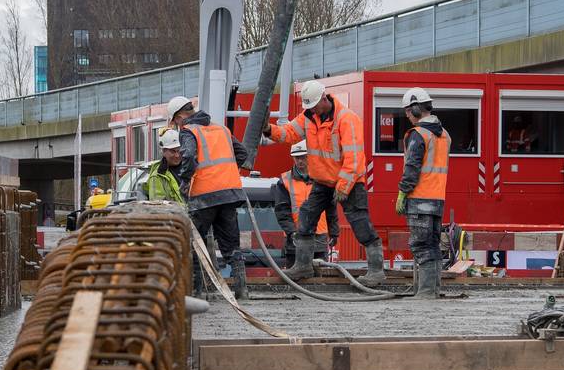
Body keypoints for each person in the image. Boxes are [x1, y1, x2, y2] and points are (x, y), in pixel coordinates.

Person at [268, 79, 386, 286]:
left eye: (313, 105)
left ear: (324, 98)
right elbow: (288, 133)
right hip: (323, 181)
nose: (311, 109)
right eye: (309, 107)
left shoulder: (346, 119)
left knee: (360, 222)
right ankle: (303, 264)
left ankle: (376, 270)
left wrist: (343, 186)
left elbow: (355, 159)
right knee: (306, 216)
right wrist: (269, 130)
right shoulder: (308, 117)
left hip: (349, 182)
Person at [168, 96, 251, 300]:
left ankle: (196, 292)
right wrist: (226, 172)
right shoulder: (220, 129)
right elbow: (242, 153)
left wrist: (185, 180)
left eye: (175, 122)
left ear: (179, 117)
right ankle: (242, 290)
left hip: (204, 194)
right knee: (231, 244)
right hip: (229, 192)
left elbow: (188, 157)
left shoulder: (189, 131)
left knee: (195, 242)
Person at [394, 87, 449, 298]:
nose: (407, 115)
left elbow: (412, 168)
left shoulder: (418, 135)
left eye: (408, 111)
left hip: (419, 199)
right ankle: (433, 290)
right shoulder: (444, 135)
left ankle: (425, 292)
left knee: (421, 246)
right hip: (437, 200)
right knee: (433, 246)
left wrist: (402, 193)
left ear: (417, 109)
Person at [273, 140, 339, 269]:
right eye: (297, 158)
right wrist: (291, 232)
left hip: (319, 238)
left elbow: (331, 208)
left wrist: (334, 232)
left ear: (309, 157)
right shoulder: (285, 181)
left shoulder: (322, 178)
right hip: (295, 238)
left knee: (320, 282)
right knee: (295, 280)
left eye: (303, 157)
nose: (300, 161)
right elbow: (282, 211)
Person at [143, 129, 187, 204]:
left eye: (179, 151)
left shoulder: (190, 169)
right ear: (163, 151)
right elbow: (158, 207)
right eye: (172, 151)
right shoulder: (157, 177)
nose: (177, 155)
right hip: (176, 215)